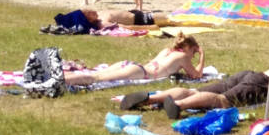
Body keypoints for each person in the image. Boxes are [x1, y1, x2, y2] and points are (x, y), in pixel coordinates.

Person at [134, 50, 269, 117]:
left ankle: (151, 98)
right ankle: (179, 105)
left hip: (252, 75)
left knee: (195, 92)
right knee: (221, 100)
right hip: (265, 85)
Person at [64, 36, 205, 87]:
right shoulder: (183, 57)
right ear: (189, 48)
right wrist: (202, 55)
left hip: (134, 66)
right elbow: (196, 75)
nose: (193, 56)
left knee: (96, 74)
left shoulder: (167, 51)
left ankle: (63, 77)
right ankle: (62, 80)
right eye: (194, 52)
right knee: (96, 78)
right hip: (140, 72)